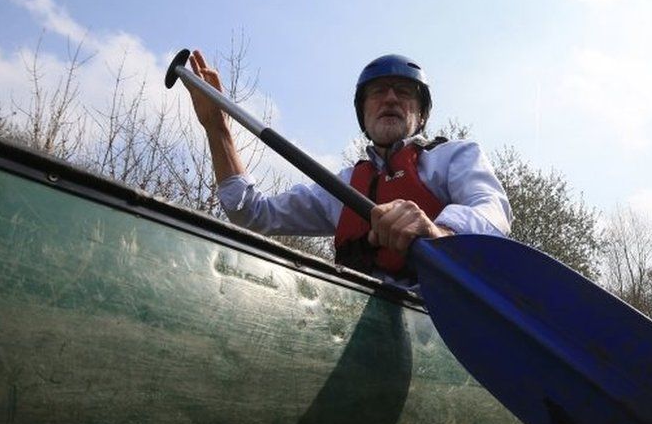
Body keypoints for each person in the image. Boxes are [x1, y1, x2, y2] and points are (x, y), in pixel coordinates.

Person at [184, 49, 512, 282]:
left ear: (422, 114)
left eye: (404, 91)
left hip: (436, 316)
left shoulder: (454, 158)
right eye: (378, 92)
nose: (391, 99)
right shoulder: (340, 188)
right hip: (359, 321)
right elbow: (251, 214)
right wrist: (218, 128)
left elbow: (494, 211)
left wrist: (441, 232)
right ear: (364, 115)